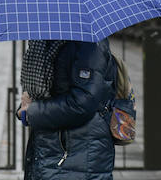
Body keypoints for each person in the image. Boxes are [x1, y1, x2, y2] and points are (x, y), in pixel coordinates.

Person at [16, 38, 117, 180]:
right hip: (50, 150)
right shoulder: (45, 41)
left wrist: (32, 112)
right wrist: (28, 105)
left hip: (79, 152)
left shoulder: (89, 43)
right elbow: (45, 92)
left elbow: (82, 104)